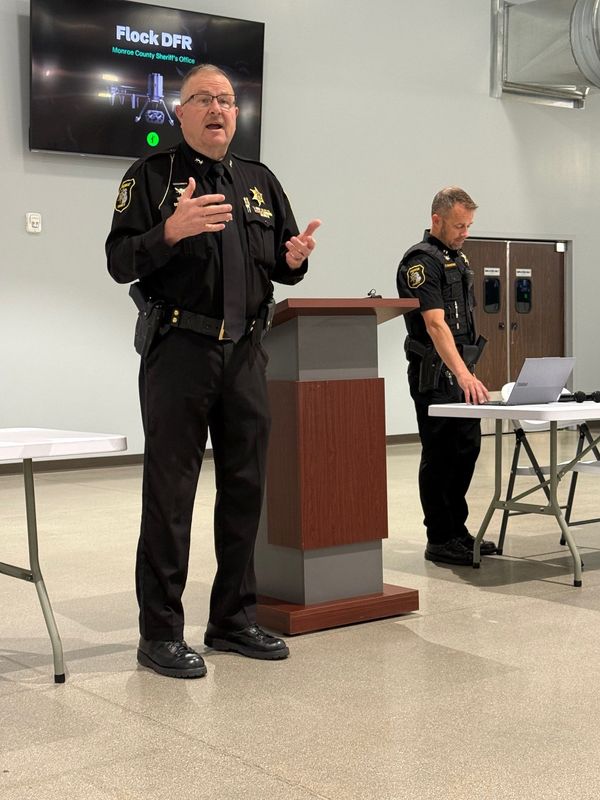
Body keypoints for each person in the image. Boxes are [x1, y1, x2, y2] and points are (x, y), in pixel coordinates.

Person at [106, 64, 320, 678]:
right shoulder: (149, 176)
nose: (218, 109)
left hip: (248, 353)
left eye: (226, 100)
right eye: (203, 99)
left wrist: (295, 260)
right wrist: (169, 231)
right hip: (180, 351)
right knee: (170, 494)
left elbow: (281, 263)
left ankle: (232, 618)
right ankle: (160, 633)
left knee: (246, 487)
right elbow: (120, 260)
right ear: (181, 112)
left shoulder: (259, 180)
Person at [396, 187, 497, 566]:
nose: (465, 232)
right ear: (436, 219)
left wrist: (468, 372)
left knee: (467, 451)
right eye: (459, 225)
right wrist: (462, 374)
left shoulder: (457, 258)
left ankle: (458, 529)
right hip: (434, 376)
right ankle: (439, 537)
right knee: (440, 455)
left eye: (468, 225)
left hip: (460, 372)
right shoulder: (421, 262)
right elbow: (436, 325)